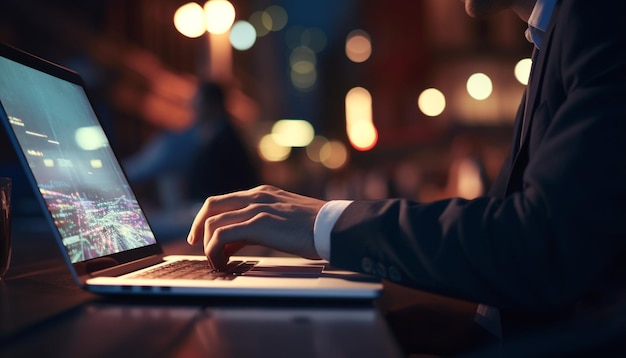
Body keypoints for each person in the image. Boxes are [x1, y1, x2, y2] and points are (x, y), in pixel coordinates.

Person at [187, 0, 626, 355]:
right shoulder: (556, 34)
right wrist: (405, 314)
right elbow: (517, 248)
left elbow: (539, 246)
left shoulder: (601, 18)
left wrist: (326, 223)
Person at [124, 82, 259, 210]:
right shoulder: (220, 136)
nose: (193, 107)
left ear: (213, 105)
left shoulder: (222, 142)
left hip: (219, 210)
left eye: (198, 102)